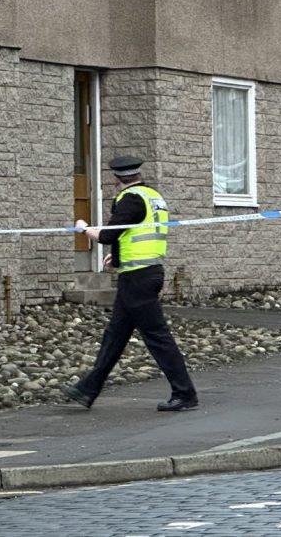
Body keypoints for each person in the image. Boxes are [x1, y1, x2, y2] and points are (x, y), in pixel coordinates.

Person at [62, 155, 199, 412]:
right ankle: (87, 390)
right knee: (114, 336)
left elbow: (108, 234)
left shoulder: (130, 199)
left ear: (116, 178)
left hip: (139, 277)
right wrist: (119, 256)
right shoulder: (152, 196)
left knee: (158, 337)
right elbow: (137, 231)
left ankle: (185, 393)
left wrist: (82, 228)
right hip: (144, 272)